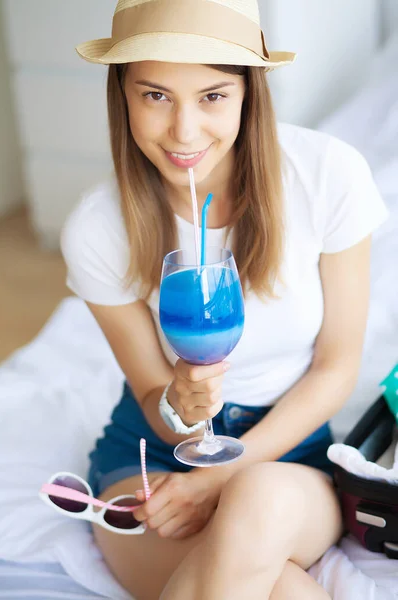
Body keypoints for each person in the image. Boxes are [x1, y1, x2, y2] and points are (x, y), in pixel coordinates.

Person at [61, 1, 388, 598]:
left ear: (248, 94)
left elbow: (336, 366)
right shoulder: (96, 228)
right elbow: (152, 394)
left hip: (288, 453)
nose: (184, 132)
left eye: (212, 96)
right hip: (155, 459)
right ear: (123, 95)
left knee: (256, 498)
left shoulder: (325, 176)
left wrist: (226, 476)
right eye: (155, 95)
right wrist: (181, 402)